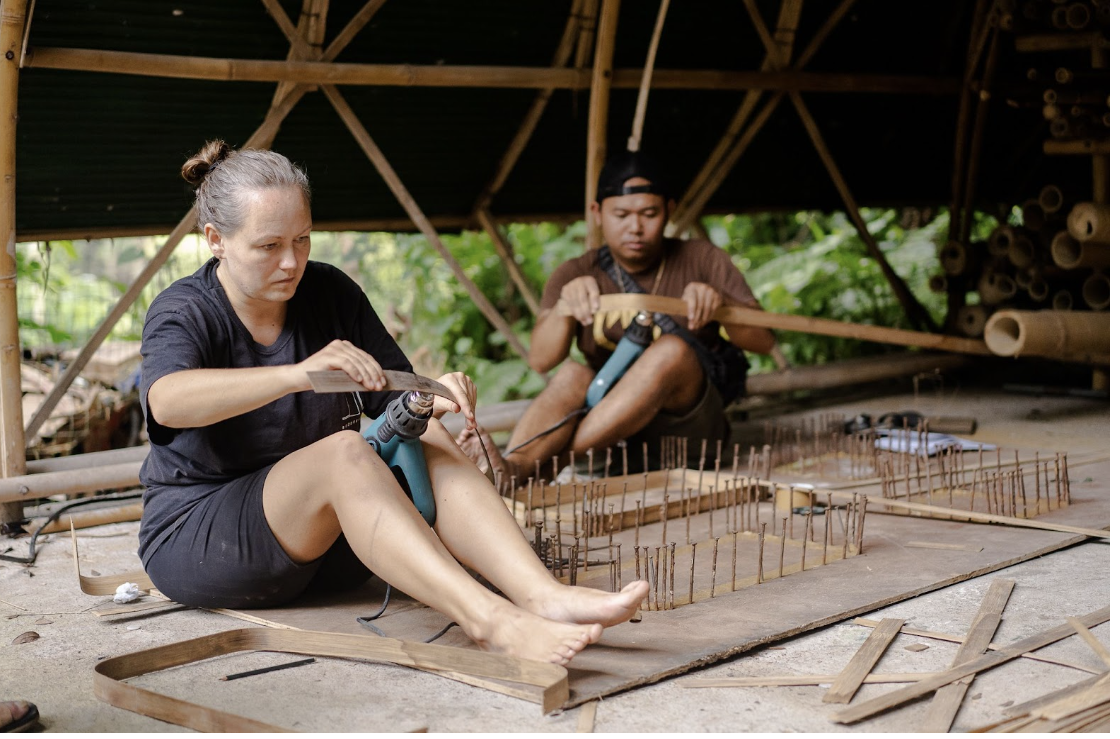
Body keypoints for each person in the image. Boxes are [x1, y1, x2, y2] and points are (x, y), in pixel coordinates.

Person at [136, 140, 648, 666]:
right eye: (269, 246)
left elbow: (397, 396)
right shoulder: (184, 310)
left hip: (327, 546)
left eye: (303, 239)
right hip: (203, 542)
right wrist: (295, 377)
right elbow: (168, 402)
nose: (292, 262)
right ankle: (491, 621)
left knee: (421, 429)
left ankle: (543, 596)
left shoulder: (329, 292)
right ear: (216, 240)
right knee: (345, 452)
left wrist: (434, 396)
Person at [458, 151, 775, 480]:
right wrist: (567, 306)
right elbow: (541, 360)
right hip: (606, 435)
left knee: (672, 352)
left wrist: (720, 303)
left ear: (669, 209)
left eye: (649, 213)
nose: (635, 227)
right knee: (571, 374)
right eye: (621, 214)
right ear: (597, 213)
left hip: (685, 436)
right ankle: (512, 464)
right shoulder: (576, 272)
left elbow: (764, 342)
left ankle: (537, 466)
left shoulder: (703, 259)